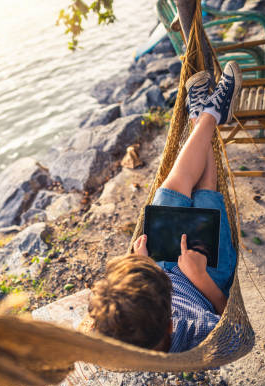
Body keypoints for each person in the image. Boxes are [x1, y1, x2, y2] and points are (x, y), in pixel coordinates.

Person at [88, 61, 242, 353]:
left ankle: (204, 117)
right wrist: (200, 278)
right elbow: (232, 328)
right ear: (170, 324)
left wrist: (142, 267)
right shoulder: (194, 332)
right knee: (206, 196)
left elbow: (115, 305)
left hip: (158, 267)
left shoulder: (118, 326)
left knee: (172, 188)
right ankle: (205, 116)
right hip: (207, 277)